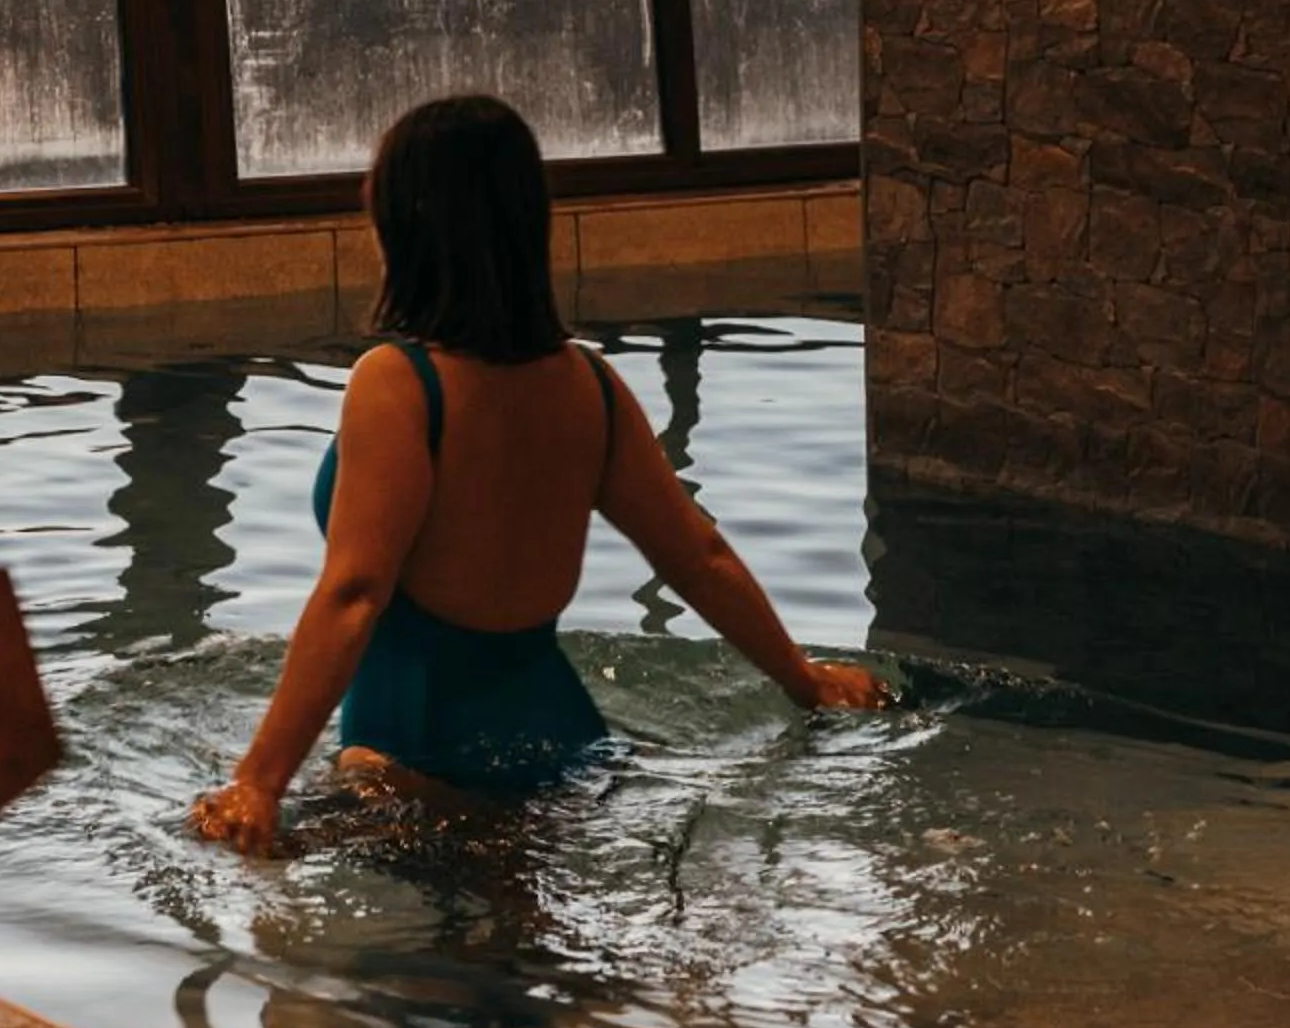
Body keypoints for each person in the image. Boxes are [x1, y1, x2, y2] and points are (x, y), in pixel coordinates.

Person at [192, 95, 891, 857]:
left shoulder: (396, 384)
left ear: (408, 224)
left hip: (409, 754)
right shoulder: (590, 386)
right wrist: (804, 679)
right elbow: (698, 559)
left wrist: (259, 781)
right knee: (531, 952)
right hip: (563, 743)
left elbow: (356, 593)